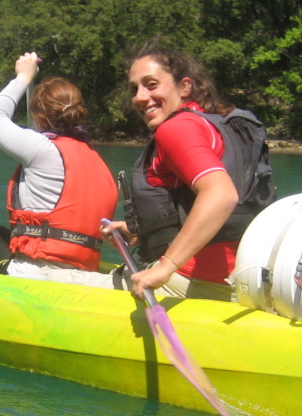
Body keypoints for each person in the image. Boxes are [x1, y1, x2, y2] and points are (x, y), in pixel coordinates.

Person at [103, 43, 276, 300]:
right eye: (134, 89)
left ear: (185, 87)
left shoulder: (176, 129)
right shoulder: (210, 125)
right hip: (246, 281)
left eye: (151, 85)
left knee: (75, 292)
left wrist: (165, 267)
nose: (139, 97)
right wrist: (143, 232)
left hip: (200, 281)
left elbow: (221, 195)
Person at [0, 51, 118, 285]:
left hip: (37, 273)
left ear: (39, 116)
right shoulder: (95, 159)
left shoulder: (41, 149)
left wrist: (23, 77)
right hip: (80, 270)